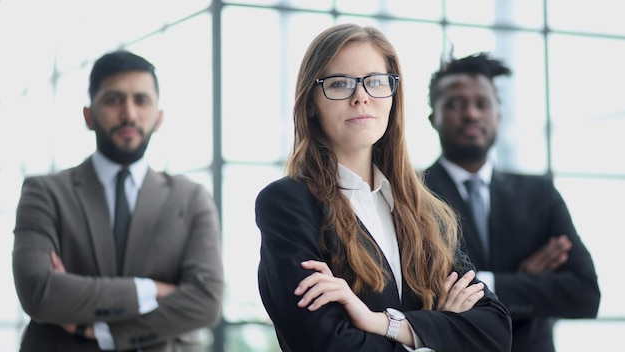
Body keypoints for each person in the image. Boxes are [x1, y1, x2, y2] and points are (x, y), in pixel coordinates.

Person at [255, 24, 512, 352]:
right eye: (339, 84)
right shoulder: (287, 204)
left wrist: (382, 322)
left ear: (393, 96)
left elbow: (494, 330)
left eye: (375, 82)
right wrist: (439, 332)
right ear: (310, 103)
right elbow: (326, 344)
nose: (360, 96)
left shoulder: (425, 210)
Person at [12, 50, 224, 352]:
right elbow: (39, 292)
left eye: (141, 100)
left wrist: (101, 332)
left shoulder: (192, 198)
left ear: (159, 116)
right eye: (113, 99)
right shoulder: (44, 193)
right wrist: (150, 290)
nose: (129, 114)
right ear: (88, 115)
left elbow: (206, 302)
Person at [422, 52, 601, 352]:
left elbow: (584, 294)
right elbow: (421, 293)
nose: (471, 114)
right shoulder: (414, 194)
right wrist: (523, 284)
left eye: (482, 104)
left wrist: (484, 283)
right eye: (455, 104)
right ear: (433, 118)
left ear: (498, 114)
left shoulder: (539, 193)